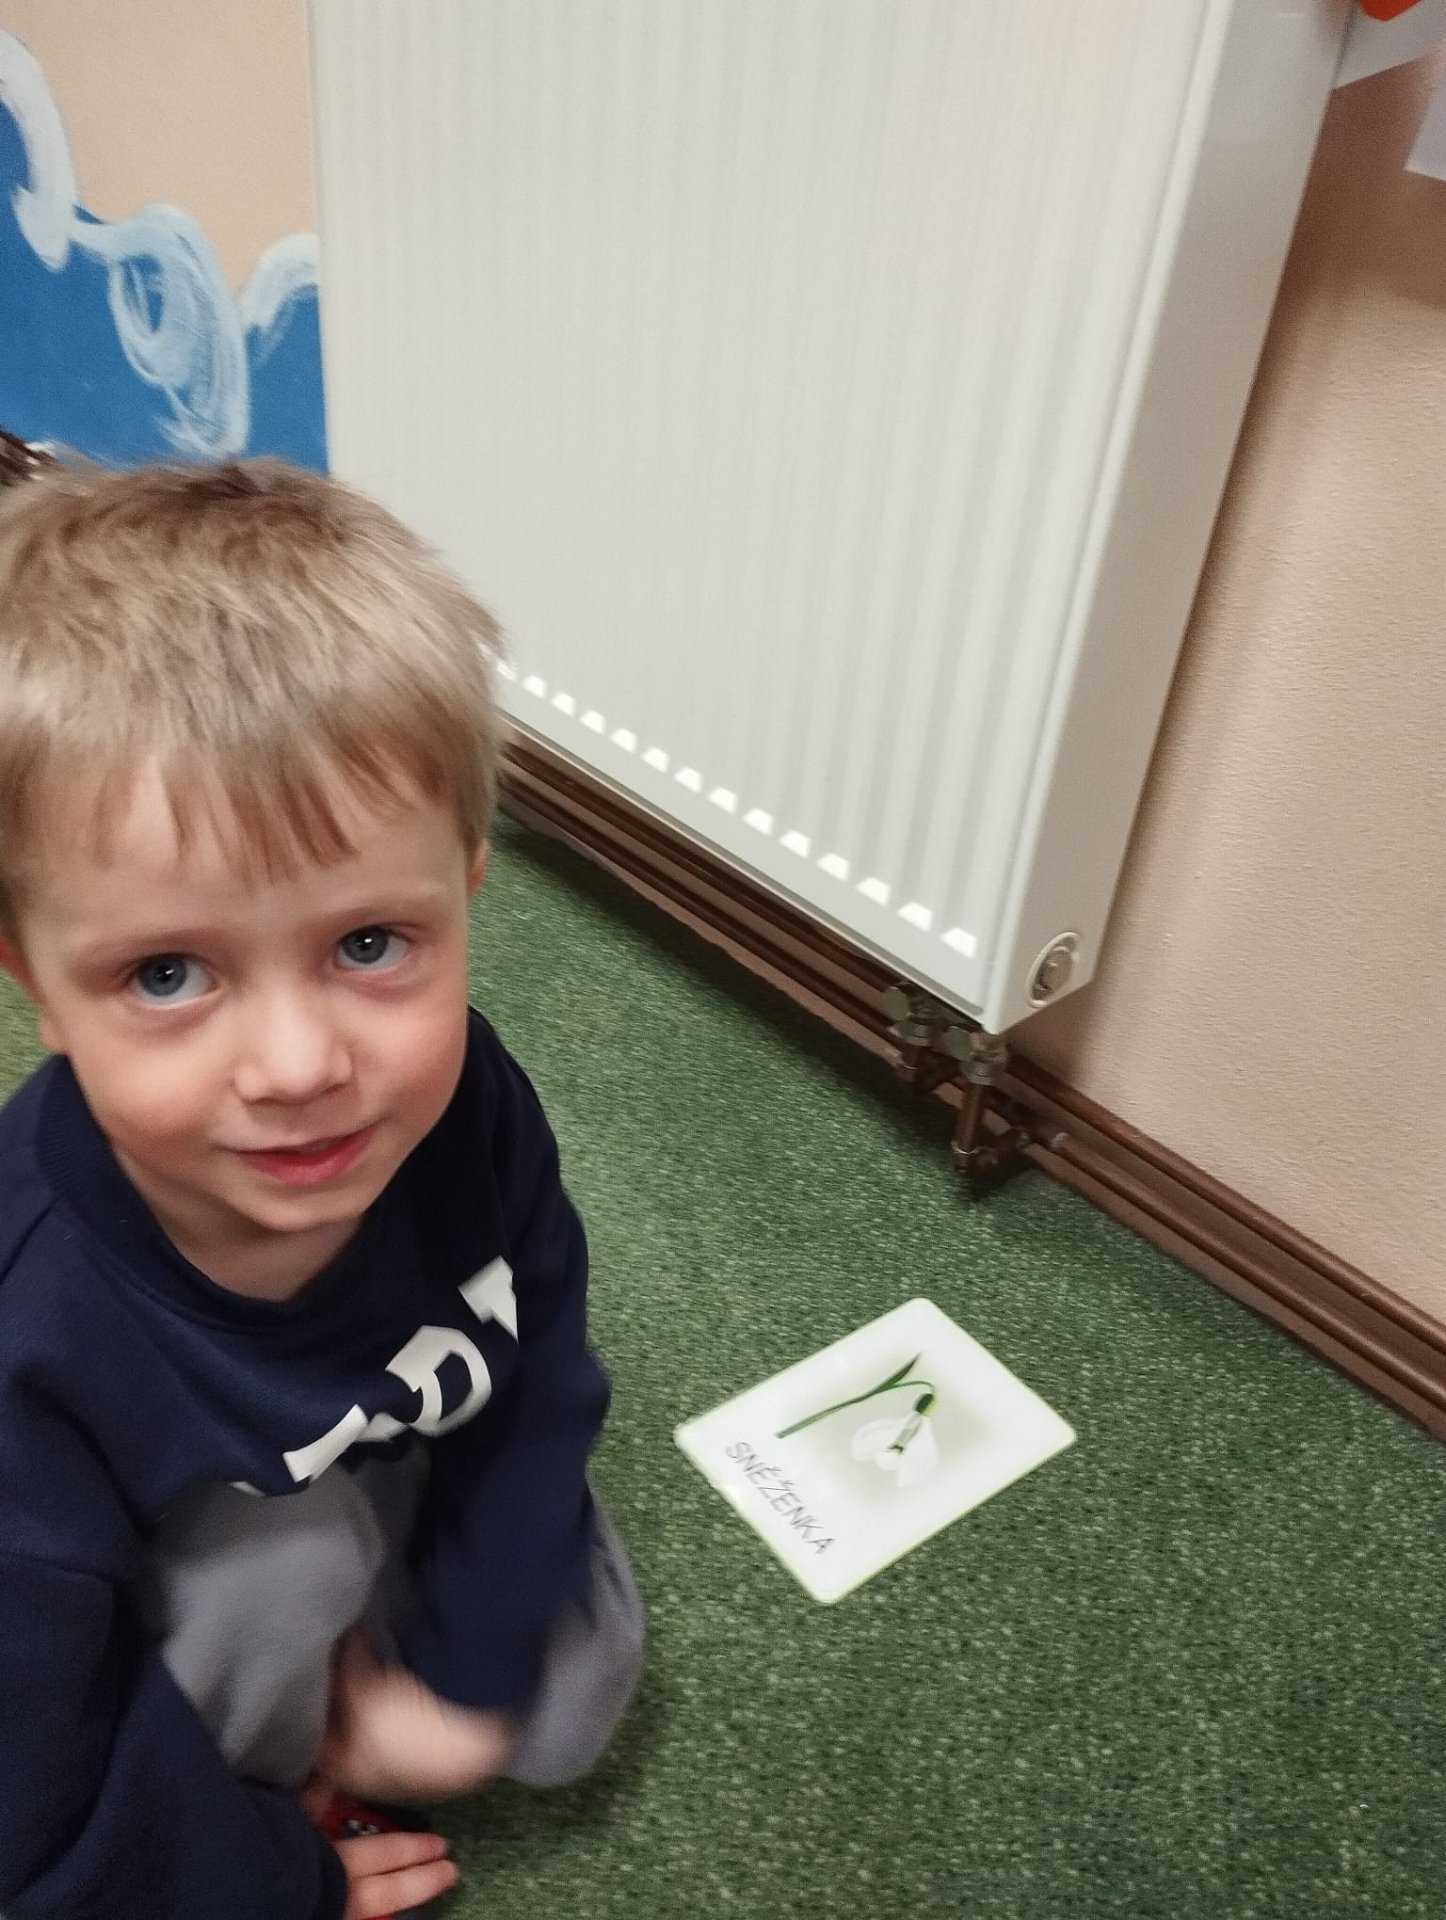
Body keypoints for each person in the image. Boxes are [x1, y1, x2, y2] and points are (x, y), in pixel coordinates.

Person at [0, 458, 645, 1920]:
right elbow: (22, 1799)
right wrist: (273, 1877)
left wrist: (466, 1670)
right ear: (37, 984)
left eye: (368, 945)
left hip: (375, 1430)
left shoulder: (467, 1096)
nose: (299, 1069)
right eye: (167, 973)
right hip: (170, 1546)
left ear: (464, 885)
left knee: (560, 1706)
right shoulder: (30, 1322)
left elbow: (545, 1364)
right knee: (277, 1591)